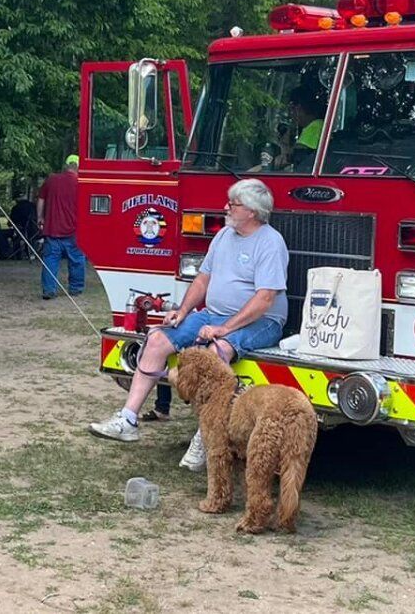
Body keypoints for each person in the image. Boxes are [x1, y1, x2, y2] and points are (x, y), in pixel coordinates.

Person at [88, 179, 289, 477]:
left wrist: (224, 330)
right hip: (213, 314)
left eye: (232, 204)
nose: (225, 208)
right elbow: (203, 280)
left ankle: (206, 437)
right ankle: (127, 420)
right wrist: (182, 312)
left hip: (261, 322)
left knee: (214, 353)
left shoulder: (270, 243)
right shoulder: (223, 236)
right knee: (157, 339)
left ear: (252, 211)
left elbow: (265, 300)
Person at [36, 155, 86, 300]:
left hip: (52, 229)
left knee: (50, 260)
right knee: (77, 260)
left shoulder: (51, 179)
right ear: (78, 167)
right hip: (74, 229)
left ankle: (49, 290)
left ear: (66, 165)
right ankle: (76, 288)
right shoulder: (81, 183)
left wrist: (40, 217)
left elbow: (41, 199)